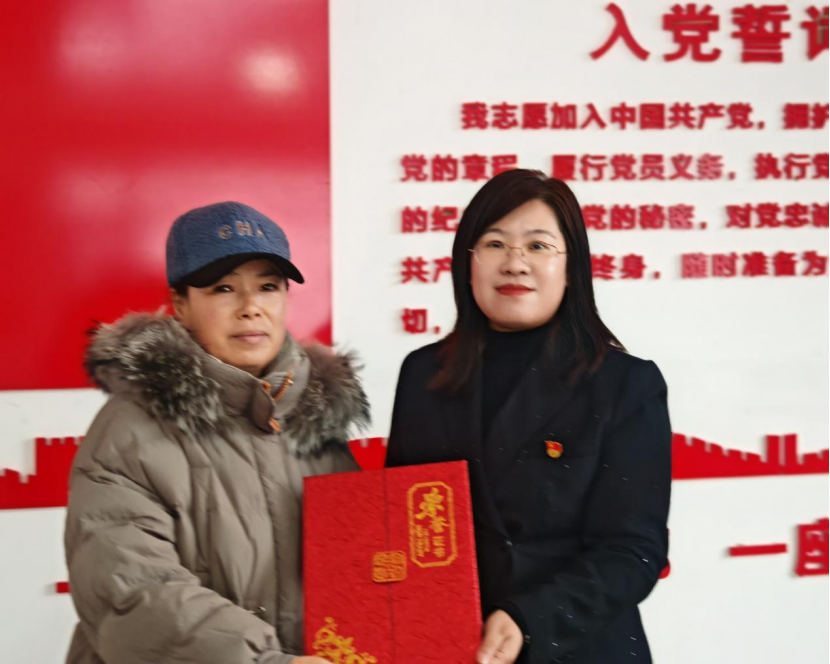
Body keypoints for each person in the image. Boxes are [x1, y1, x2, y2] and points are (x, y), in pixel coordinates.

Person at [385, 170, 672, 664]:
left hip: (578, 646)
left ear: (571, 267)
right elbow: (401, 524)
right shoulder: (423, 374)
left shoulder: (625, 383)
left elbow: (633, 551)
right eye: (495, 244)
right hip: (453, 646)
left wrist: (529, 618)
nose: (514, 262)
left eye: (538, 246)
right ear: (468, 264)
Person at [65, 201, 369, 664]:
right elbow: (132, 592)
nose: (251, 308)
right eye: (223, 288)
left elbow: (362, 567)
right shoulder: (129, 431)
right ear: (181, 306)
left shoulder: (316, 418)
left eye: (268, 286)